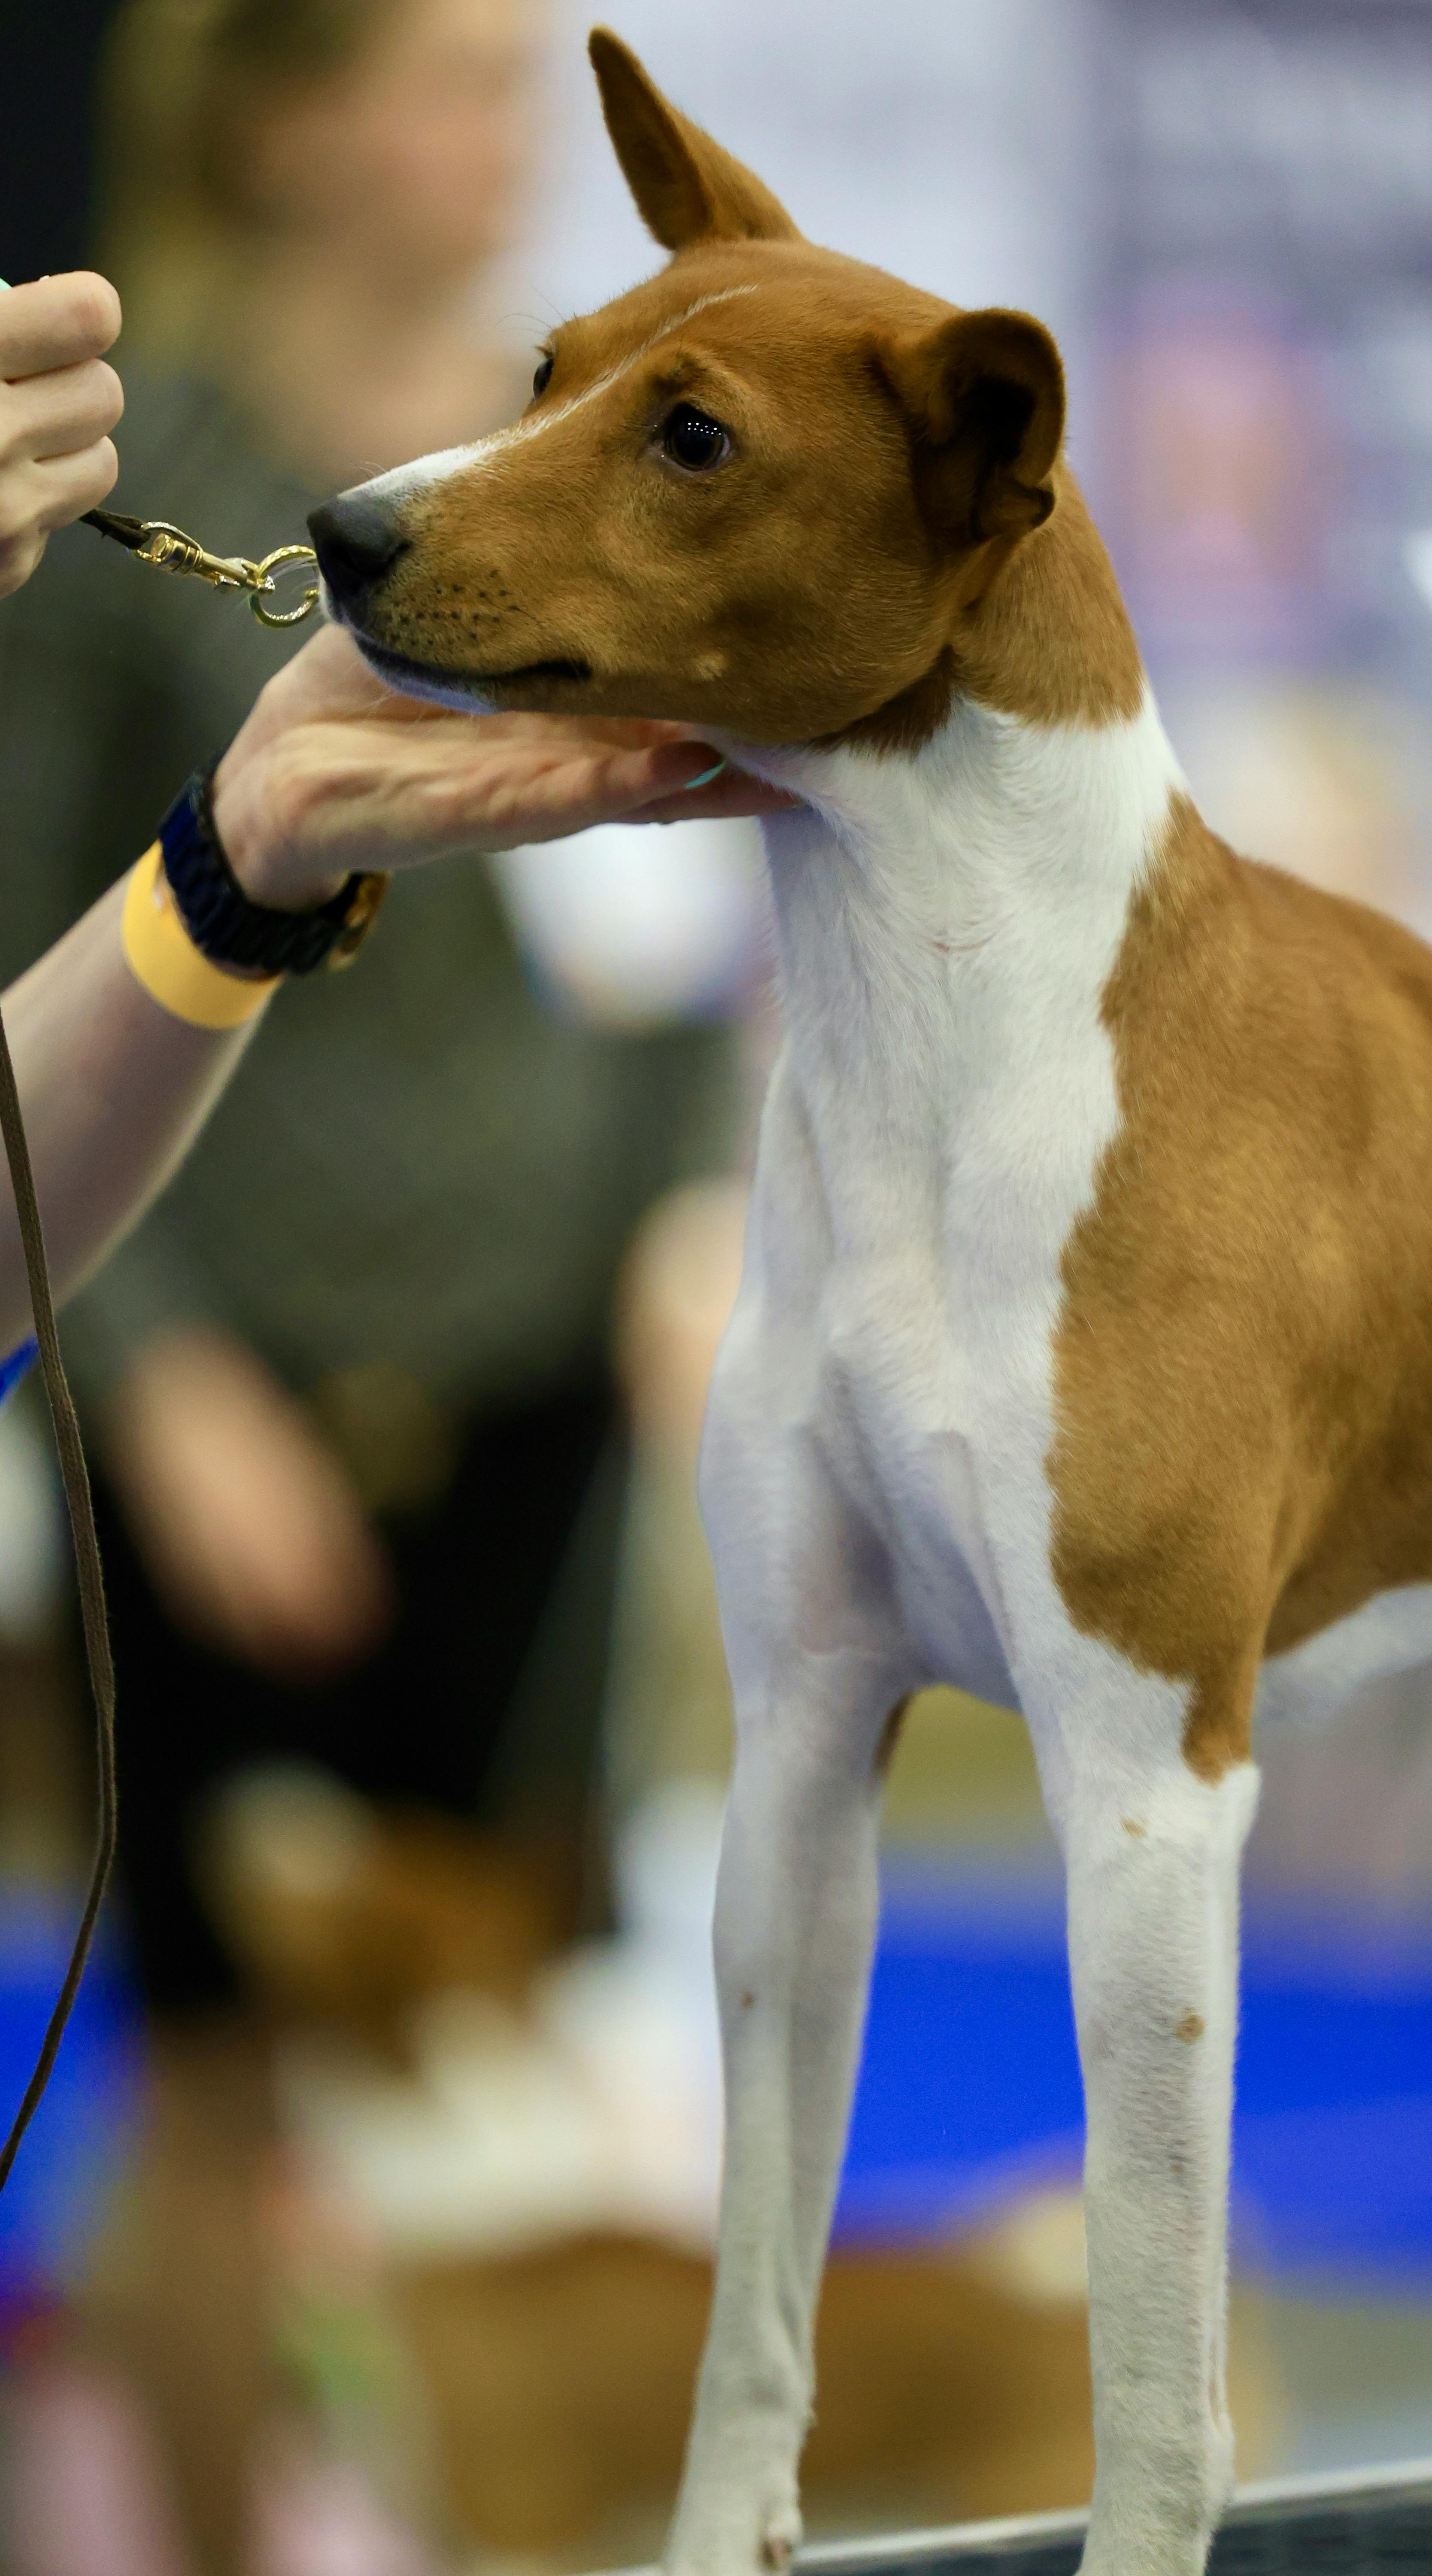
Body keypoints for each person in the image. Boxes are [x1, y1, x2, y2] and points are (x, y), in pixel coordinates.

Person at [0, 118, 779, 2018]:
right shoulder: (154, 463)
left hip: (530, 1367)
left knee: (484, 2008)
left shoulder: (564, 427)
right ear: (286, 130)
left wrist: (244, 850)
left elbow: (658, 962)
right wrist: (161, 1388)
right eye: (455, 80)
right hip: (236, 1334)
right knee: (230, 2037)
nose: (505, 145)